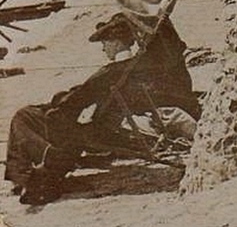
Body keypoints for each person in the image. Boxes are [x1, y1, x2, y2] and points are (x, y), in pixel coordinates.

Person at [5, 12, 199, 205]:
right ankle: (28, 175)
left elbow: (75, 101)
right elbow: (85, 95)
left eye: (105, 43)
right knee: (34, 117)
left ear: (116, 42)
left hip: (96, 131)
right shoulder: (132, 68)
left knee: (24, 116)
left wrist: (54, 106)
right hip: (108, 125)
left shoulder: (110, 72)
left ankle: (31, 175)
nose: (104, 49)